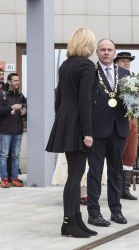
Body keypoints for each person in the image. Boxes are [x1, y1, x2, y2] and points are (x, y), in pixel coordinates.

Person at [46, 28, 97, 238]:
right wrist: (87, 131)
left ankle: (75, 220)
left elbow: (58, 97)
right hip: (78, 122)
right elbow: (85, 99)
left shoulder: (65, 65)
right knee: (76, 175)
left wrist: (62, 119)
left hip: (66, 120)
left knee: (75, 174)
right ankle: (69, 223)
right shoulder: (86, 65)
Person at [87, 39, 130, 227]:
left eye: (109, 50)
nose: (106, 53)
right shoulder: (90, 73)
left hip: (118, 129)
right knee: (95, 172)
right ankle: (93, 213)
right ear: (97, 52)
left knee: (116, 172)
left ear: (114, 52)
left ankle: (116, 210)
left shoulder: (126, 74)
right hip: (96, 130)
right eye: (102, 49)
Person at [114, 52, 139, 200]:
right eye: (123, 61)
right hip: (120, 119)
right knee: (117, 155)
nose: (126, 63)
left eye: (128, 61)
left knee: (131, 155)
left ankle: (125, 189)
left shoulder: (135, 79)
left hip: (133, 119)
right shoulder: (113, 78)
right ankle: (115, 189)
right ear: (117, 63)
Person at [0, 73, 26, 188]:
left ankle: (14, 178)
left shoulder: (20, 95)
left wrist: (24, 111)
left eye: (18, 80)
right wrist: (11, 108)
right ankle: (4, 179)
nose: (17, 83)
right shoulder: (2, 95)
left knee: (15, 155)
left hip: (18, 130)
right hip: (5, 130)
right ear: (9, 82)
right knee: (3, 155)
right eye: (15, 81)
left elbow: (24, 107)